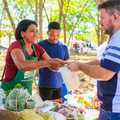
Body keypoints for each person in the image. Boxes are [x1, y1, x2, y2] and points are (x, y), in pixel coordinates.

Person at [68, 0, 120, 119]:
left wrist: (80, 66)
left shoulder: (118, 39)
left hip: (115, 109)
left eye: (102, 18)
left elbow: (105, 73)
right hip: (110, 107)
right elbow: (102, 62)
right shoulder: (115, 39)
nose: (100, 23)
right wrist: (78, 65)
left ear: (115, 17)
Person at [1, 19, 66, 94]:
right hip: (9, 93)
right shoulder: (16, 46)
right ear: (23, 34)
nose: (35, 34)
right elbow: (22, 66)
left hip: (26, 93)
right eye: (32, 31)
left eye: (36, 31)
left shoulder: (37, 48)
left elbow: (53, 66)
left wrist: (63, 64)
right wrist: (49, 62)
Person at [38, 22, 69, 101]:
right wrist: (48, 65)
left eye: (57, 35)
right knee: (45, 110)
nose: (55, 38)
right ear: (47, 32)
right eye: (52, 35)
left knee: (57, 109)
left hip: (59, 85)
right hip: (45, 85)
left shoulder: (63, 47)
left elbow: (67, 63)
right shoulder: (40, 45)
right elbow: (36, 62)